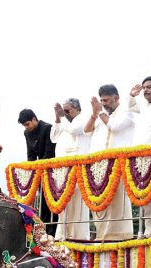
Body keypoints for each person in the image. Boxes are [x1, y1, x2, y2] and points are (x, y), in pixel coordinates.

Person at [84, 84, 134, 240]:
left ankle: (119, 236)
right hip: (99, 166)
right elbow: (86, 131)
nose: (104, 103)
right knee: (100, 199)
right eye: (101, 101)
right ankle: (101, 235)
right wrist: (94, 114)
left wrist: (99, 112)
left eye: (106, 100)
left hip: (118, 164)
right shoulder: (101, 115)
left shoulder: (127, 112)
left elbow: (115, 127)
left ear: (116, 98)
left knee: (118, 199)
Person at [129, 76, 151, 237]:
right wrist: (131, 95)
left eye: (149, 87)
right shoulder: (144, 106)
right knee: (148, 196)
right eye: (144, 88)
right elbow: (131, 107)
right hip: (143, 159)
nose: (146, 90)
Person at [50, 98, 90, 241]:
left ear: (77, 109)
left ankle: (80, 237)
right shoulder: (64, 122)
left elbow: (73, 130)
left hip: (78, 168)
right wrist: (57, 118)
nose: (65, 113)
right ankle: (62, 235)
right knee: (64, 203)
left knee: (78, 204)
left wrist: (62, 117)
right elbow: (53, 137)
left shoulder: (83, 119)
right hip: (62, 170)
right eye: (63, 110)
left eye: (68, 111)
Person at [18, 108, 57, 235]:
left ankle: (52, 232)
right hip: (40, 171)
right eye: (24, 125)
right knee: (43, 202)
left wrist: (40, 168)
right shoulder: (27, 133)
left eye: (27, 124)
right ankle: (44, 230)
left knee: (51, 201)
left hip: (51, 169)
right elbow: (30, 155)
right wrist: (31, 170)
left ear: (34, 119)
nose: (26, 127)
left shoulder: (47, 128)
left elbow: (49, 152)